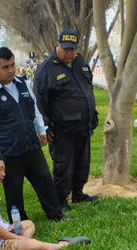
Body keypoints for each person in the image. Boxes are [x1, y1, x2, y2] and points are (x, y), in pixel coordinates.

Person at [0, 47, 66, 223]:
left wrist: (41, 130)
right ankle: (20, 224)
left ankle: (56, 214)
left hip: (31, 146)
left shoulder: (22, 84)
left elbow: (34, 109)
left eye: (12, 65)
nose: (10, 70)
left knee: (45, 181)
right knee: (13, 191)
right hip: (8, 152)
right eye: (5, 67)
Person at [0, 153, 91, 250]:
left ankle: (22, 249)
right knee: (34, 245)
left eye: (4, 170)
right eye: (0, 169)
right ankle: (63, 245)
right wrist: (18, 239)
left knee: (28, 224)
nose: (4, 174)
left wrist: (15, 234)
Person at [34, 29, 99, 211]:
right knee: (64, 166)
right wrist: (45, 127)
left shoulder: (80, 62)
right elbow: (39, 100)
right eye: (65, 49)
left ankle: (78, 193)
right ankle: (61, 200)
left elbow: (87, 89)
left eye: (72, 49)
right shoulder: (46, 68)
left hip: (83, 127)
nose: (69, 53)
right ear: (57, 46)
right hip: (62, 130)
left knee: (82, 163)